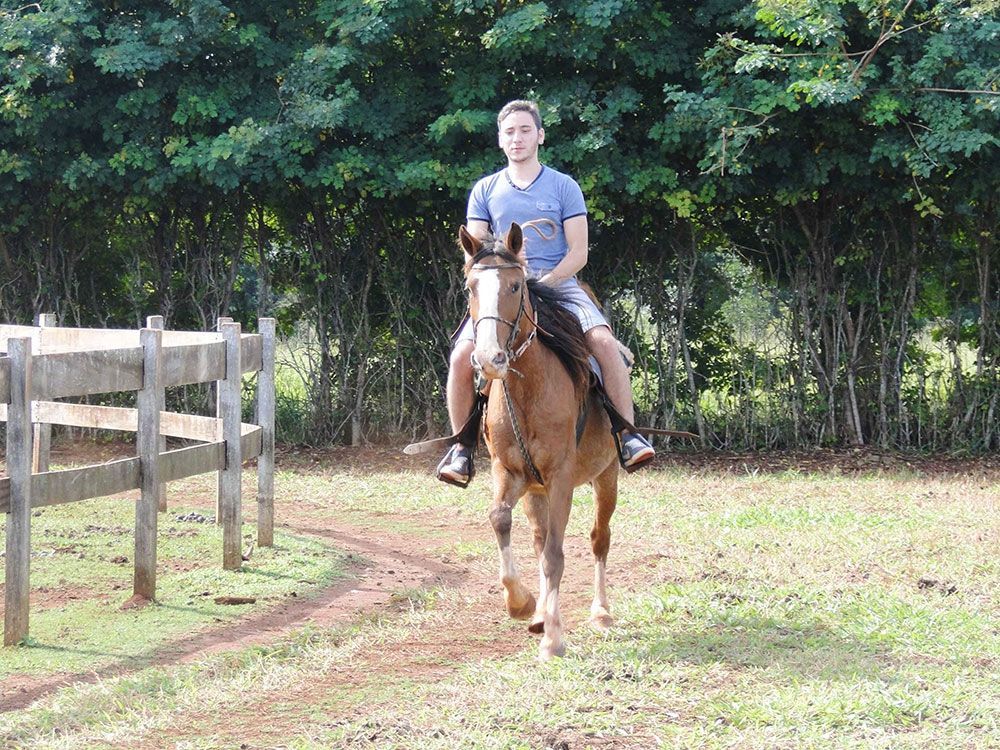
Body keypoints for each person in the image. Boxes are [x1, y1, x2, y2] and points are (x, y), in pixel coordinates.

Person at [437, 99, 655, 485]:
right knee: (460, 357)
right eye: (509, 132)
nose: (517, 138)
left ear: (540, 135)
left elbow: (579, 252)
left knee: (603, 344)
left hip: (560, 285)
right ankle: (462, 448)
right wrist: (509, 282)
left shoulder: (563, 186)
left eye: (524, 130)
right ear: (500, 140)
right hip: (503, 291)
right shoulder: (485, 189)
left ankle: (627, 435)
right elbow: (477, 248)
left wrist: (546, 283)